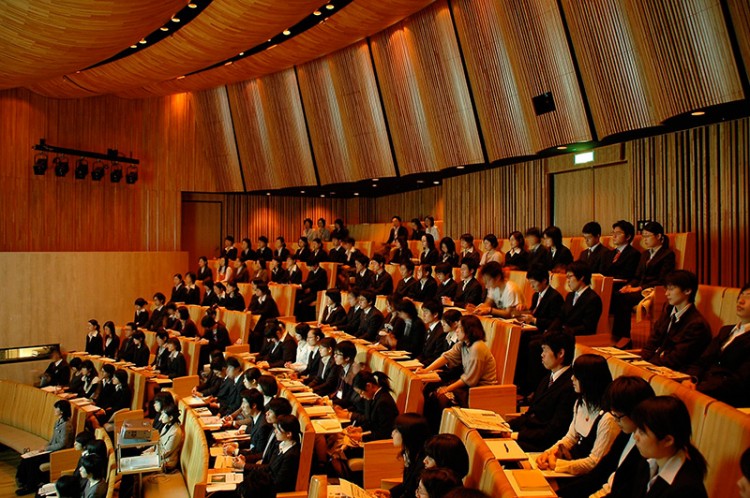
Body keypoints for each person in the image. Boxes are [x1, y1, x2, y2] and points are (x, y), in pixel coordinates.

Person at [557, 376, 655, 498]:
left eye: (618, 416)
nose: (615, 420)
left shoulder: (646, 450)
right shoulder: (626, 435)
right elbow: (599, 473)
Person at [536, 354, 619, 475]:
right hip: (571, 463)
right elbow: (570, 438)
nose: (572, 379)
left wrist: (558, 465)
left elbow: (594, 462)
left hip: (587, 476)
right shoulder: (580, 402)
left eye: (577, 376)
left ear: (590, 380)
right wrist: (548, 453)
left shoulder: (608, 419)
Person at [418, 315, 498, 430]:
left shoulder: (477, 347)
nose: (456, 330)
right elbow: (447, 356)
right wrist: (426, 370)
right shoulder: (464, 344)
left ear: (469, 330)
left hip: (480, 390)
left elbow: (470, 379)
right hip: (467, 386)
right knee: (432, 391)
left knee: (442, 398)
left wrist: (448, 388)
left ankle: (441, 430)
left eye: (460, 327)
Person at [684, 282, 750, 407]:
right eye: (741, 295)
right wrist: (691, 379)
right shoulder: (726, 330)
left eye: (749, 297)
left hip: (728, 400)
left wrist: (700, 389)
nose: (741, 301)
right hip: (702, 388)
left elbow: (739, 381)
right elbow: (702, 361)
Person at [611, 221, 676, 346]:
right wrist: (629, 286)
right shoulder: (645, 254)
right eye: (643, 236)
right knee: (618, 294)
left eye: (648, 236)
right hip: (640, 288)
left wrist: (639, 288)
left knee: (622, 299)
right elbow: (637, 276)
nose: (644, 240)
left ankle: (624, 338)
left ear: (658, 236)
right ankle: (619, 337)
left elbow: (662, 279)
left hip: (653, 291)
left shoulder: (667, 255)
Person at [510, 330, 577, 452]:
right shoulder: (547, 378)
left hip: (544, 445)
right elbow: (530, 414)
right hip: (529, 435)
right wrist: (506, 426)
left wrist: (516, 435)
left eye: (545, 350)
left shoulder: (570, 386)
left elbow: (553, 432)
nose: (542, 354)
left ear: (561, 353)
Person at [629, 396, 708, 498]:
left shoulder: (686, 490)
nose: (635, 436)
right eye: (637, 429)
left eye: (642, 432)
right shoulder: (648, 463)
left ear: (668, 440)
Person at [641, 270, 711, 371]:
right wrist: (642, 361)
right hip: (656, 365)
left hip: (675, 372)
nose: (666, 293)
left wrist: (647, 366)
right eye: (666, 289)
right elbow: (653, 341)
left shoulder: (696, 324)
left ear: (687, 291)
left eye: (671, 289)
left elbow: (675, 359)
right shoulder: (668, 310)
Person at [15, 399, 74, 494]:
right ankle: (23, 480)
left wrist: (47, 448)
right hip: (51, 450)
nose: (54, 410)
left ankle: (30, 486)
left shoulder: (66, 425)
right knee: (27, 457)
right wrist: (45, 446)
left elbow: (62, 444)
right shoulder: (58, 422)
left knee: (32, 461)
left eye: (56, 408)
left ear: (62, 411)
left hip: (57, 453)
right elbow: (53, 438)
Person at [333, 371, 399, 442]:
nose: (361, 396)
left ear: (369, 386)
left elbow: (384, 433)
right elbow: (370, 421)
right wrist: (359, 429)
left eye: (361, 392)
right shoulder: (371, 397)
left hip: (382, 442)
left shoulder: (383, 402)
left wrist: (361, 437)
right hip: (372, 435)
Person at [386, 413, 432, 498]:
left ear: (408, 434)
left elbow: (413, 492)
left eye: (397, 431)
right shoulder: (409, 452)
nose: (392, 434)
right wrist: (390, 493)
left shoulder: (423, 463)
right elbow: (406, 485)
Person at [558, 261, 603, 336]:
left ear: (581, 277)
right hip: (565, 335)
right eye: (567, 277)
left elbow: (588, 327)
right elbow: (560, 317)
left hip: (579, 338)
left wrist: (564, 332)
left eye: (570, 277)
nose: (568, 281)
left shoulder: (593, 299)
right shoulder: (570, 296)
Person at [601, 220, 641, 288]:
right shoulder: (608, 254)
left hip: (621, 287)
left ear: (628, 236)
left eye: (618, 233)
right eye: (613, 233)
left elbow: (628, 276)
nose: (614, 236)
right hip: (606, 285)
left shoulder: (634, 254)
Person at [419, 300, 448, 366]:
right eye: (423, 312)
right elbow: (423, 351)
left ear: (435, 314)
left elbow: (436, 356)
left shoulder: (441, 332)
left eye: (426, 312)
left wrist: (420, 364)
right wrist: (416, 361)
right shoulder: (429, 329)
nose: (423, 315)